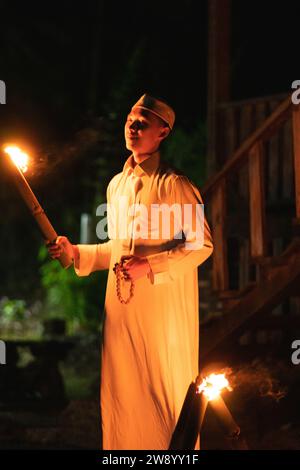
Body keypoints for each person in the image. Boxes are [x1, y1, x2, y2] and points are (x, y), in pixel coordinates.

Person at [48, 94, 214, 450]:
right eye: (129, 120)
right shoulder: (116, 185)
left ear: (163, 132)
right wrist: (77, 252)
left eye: (142, 122)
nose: (133, 127)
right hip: (121, 311)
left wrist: (151, 266)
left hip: (162, 312)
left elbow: (202, 245)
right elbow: (117, 249)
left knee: (163, 389)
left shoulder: (176, 185)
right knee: (122, 393)